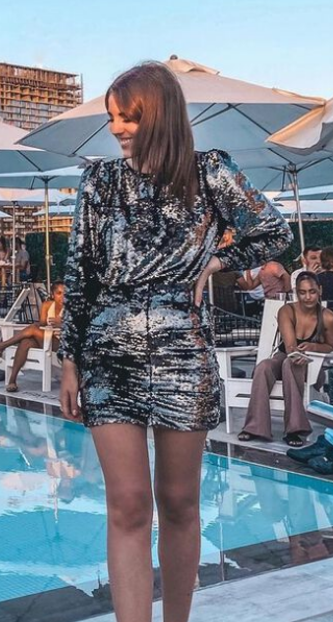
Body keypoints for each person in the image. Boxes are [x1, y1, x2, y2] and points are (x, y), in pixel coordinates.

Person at [60, 62, 291, 622]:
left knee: (181, 504)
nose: (117, 128)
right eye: (113, 117)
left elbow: (274, 231)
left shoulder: (208, 171)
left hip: (181, 354)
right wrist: (68, 358)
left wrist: (217, 259)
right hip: (106, 355)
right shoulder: (98, 182)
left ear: (159, 115)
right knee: (128, 505)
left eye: (130, 117)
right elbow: (79, 276)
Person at [238, 271, 333, 446]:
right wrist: (295, 353)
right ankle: (255, 427)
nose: (307, 297)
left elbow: (330, 346)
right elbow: (290, 346)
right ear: (297, 292)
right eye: (302, 292)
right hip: (287, 355)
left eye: (312, 291)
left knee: (290, 365)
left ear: (319, 290)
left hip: (312, 364)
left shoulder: (327, 317)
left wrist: (313, 347)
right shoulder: (287, 310)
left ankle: (295, 430)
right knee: (263, 367)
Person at [0, 283, 65, 392]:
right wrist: (44, 325)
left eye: (65, 293)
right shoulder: (47, 305)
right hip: (45, 339)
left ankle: (1, 346)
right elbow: (42, 325)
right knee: (26, 342)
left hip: (61, 343)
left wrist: (61, 323)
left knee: (32, 328)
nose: (62, 296)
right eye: (59, 293)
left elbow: (77, 329)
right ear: (53, 295)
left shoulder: (71, 309)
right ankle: (12, 380)